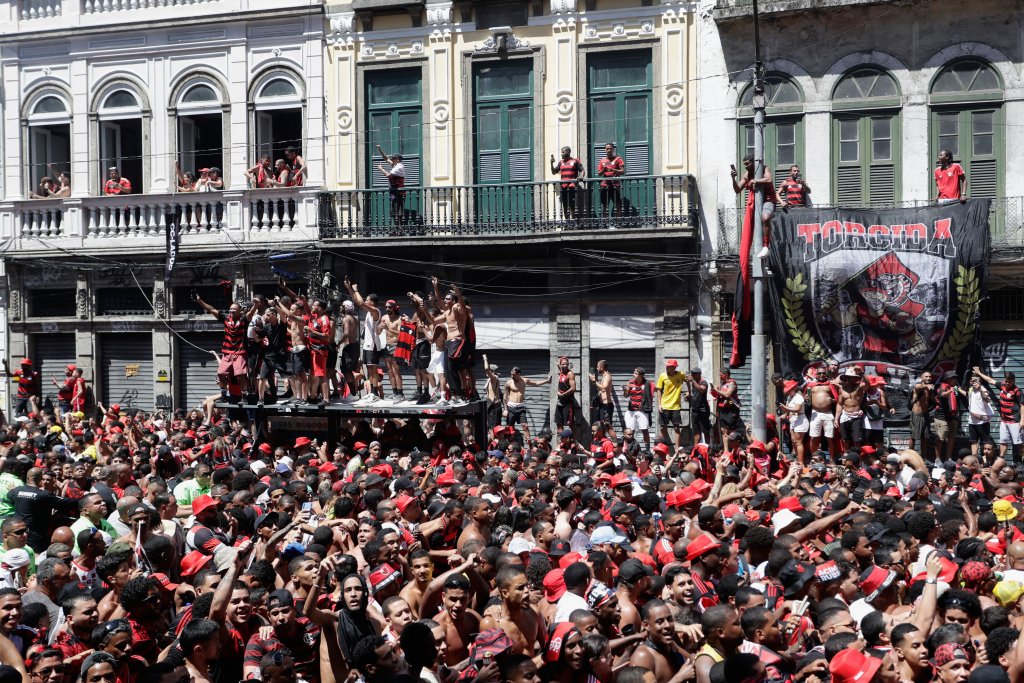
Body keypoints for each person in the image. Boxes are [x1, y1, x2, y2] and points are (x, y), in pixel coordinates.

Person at [195, 297, 254, 401]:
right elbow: (211, 309)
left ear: (240, 311)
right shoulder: (226, 319)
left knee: (240, 374)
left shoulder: (243, 320)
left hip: (239, 352)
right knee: (221, 373)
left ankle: (244, 395)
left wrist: (256, 305)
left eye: (234, 309)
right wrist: (200, 301)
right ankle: (223, 395)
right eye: (230, 309)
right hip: (227, 352)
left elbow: (250, 314)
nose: (231, 311)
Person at [731, 153, 778, 259]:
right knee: (754, 225)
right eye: (744, 164)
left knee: (765, 218)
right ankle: (757, 246)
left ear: (754, 162)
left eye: (747, 163)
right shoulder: (746, 175)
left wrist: (755, 180)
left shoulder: (765, 168)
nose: (745, 166)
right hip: (756, 202)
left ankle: (766, 247)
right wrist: (733, 178)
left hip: (768, 199)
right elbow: (737, 190)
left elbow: (769, 179)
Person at [504, 367, 551, 443]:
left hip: (520, 407)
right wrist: (505, 409)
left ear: (518, 374)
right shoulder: (509, 383)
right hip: (511, 407)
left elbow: (536, 383)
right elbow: (505, 396)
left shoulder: (524, 380)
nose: (512, 376)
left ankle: (529, 445)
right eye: (511, 374)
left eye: (513, 374)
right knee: (511, 427)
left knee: (525, 426)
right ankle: (511, 444)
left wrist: (547, 381)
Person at [656, 360, 685, 449]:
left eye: (672, 367)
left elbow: (688, 380)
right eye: (668, 367)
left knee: (676, 428)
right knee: (663, 428)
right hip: (665, 405)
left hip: (675, 407)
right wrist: (659, 404)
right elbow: (659, 390)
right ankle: (661, 447)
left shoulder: (680, 374)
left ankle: (677, 448)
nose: (669, 368)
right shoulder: (663, 376)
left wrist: (689, 392)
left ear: (675, 367)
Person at [623, 368, 654, 450]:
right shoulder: (630, 382)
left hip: (642, 410)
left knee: (644, 430)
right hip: (631, 410)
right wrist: (626, 391)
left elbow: (651, 395)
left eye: (636, 373)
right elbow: (626, 395)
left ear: (641, 375)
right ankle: (631, 448)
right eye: (634, 373)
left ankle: (647, 450)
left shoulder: (647, 383)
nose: (633, 375)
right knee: (630, 431)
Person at [550, 147, 584, 221]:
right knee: (564, 203)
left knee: (572, 203)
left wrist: (581, 176)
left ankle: (572, 219)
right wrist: (551, 163)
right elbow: (554, 172)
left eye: (563, 152)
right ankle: (567, 220)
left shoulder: (575, 161)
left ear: (568, 152)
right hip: (563, 186)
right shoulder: (561, 162)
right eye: (561, 152)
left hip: (572, 186)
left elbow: (582, 170)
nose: (561, 154)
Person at [377, 151, 406, 226]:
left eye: (394, 158)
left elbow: (388, 174)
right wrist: (380, 150)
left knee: (398, 211)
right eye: (392, 158)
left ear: (398, 159)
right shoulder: (395, 165)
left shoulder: (399, 166)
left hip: (399, 192)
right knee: (395, 210)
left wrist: (381, 169)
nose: (392, 159)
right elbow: (386, 159)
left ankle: (400, 228)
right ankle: (397, 228)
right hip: (394, 191)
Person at [597, 143, 624, 219]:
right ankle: (605, 222)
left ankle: (618, 222)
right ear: (605, 150)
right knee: (604, 205)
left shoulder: (618, 159)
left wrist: (613, 170)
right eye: (607, 148)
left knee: (618, 204)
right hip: (605, 185)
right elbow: (599, 173)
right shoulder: (602, 160)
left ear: (613, 149)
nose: (609, 150)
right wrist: (604, 170)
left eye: (610, 148)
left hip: (615, 185)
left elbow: (622, 171)